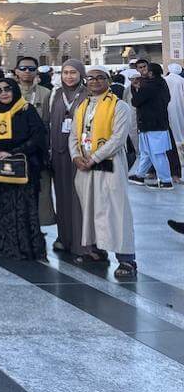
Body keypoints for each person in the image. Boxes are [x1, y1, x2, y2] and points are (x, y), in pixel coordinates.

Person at [69, 65, 137, 278]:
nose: (95, 82)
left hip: (109, 166)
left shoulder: (120, 106)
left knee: (116, 211)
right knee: (90, 210)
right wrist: (75, 156)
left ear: (108, 80)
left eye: (100, 78)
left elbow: (118, 138)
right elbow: (73, 135)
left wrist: (95, 158)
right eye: (91, 78)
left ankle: (126, 259)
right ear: (86, 82)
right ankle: (95, 251)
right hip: (85, 168)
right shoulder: (83, 106)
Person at [0, 76, 47, 260]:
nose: (4, 93)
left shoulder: (26, 110)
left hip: (23, 167)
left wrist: (13, 153)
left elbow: (38, 137)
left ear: (15, 90)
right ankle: (3, 245)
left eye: (7, 89)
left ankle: (25, 248)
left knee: (22, 209)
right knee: (1, 208)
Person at [48, 59, 92, 258]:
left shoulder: (88, 95)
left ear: (81, 74)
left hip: (80, 155)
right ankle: (64, 238)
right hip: (59, 153)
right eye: (65, 72)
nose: (69, 76)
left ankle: (83, 243)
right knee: (63, 196)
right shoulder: (56, 94)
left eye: (73, 72)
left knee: (80, 197)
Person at [15, 56, 55, 229]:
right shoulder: (8, 91)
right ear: (16, 71)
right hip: (14, 152)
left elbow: (50, 123)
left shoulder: (46, 93)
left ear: (37, 72)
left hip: (37, 150)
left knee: (40, 191)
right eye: (23, 68)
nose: (27, 72)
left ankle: (36, 229)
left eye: (31, 69)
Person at [129, 61, 174, 190]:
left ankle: (165, 180)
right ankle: (140, 175)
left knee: (157, 153)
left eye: (146, 69)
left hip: (152, 124)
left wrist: (135, 88)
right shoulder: (162, 83)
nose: (143, 71)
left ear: (151, 72)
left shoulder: (149, 86)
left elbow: (136, 101)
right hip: (156, 123)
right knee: (147, 152)